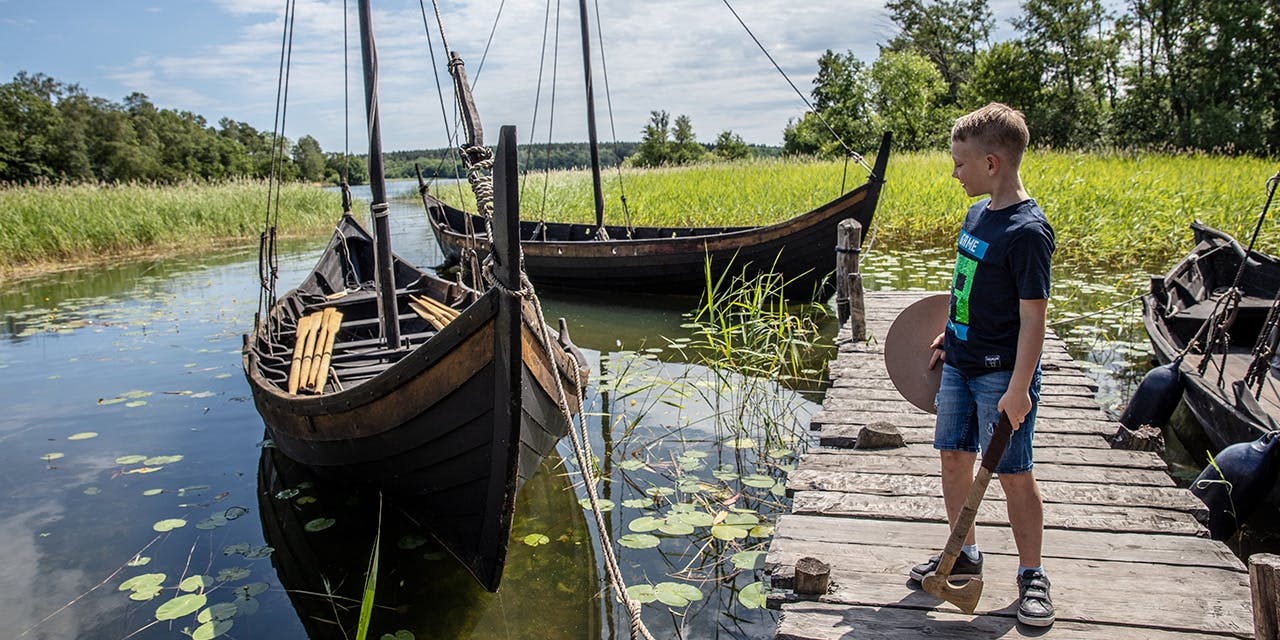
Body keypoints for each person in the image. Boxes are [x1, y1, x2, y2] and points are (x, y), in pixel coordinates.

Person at [906, 102, 1056, 627]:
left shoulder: (1028, 231)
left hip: (1002, 372)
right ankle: (964, 553)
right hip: (960, 362)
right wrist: (952, 330)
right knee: (952, 457)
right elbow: (966, 284)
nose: (954, 172)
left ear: (992, 163)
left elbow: (1033, 320)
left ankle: (1032, 574)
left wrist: (1020, 388)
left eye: (960, 162)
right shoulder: (976, 214)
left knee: (1015, 473)